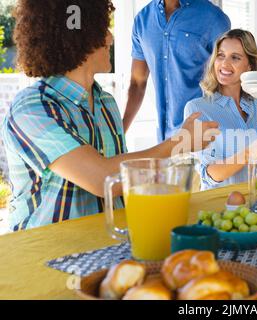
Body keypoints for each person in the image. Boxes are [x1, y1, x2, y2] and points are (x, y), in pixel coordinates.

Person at [1, 0, 218, 231]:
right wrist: (179, 143)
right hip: (41, 255)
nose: (110, 39)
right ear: (79, 37)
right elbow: (103, 178)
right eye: (103, 29)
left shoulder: (106, 103)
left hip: (102, 249)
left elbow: (121, 184)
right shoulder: (33, 108)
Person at [184, 29, 257, 190]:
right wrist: (247, 153)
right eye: (220, 55)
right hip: (220, 206)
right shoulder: (197, 109)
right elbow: (209, 174)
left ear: (249, 66)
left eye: (235, 57)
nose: (224, 64)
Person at [122, 0, 231, 142]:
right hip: (164, 142)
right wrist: (119, 134)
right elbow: (137, 82)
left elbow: (229, 82)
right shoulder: (143, 20)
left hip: (202, 137)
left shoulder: (214, 18)